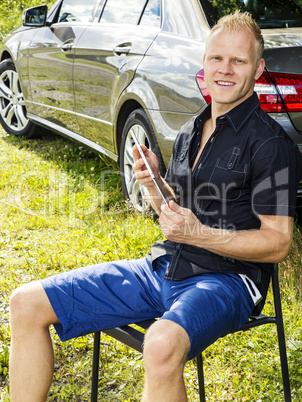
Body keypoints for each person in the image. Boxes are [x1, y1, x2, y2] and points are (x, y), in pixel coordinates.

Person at [9, 11, 302, 402]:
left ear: (258, 68)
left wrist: (198, 233)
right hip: (163, 267)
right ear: (204, 61)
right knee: (25, 303)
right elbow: (182, 208)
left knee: (160, 345)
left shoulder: (272, 146)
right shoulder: (189, 131)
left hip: (227, 280)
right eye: (217, 58)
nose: (225, 69)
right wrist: (155, 186)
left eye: (239, 60)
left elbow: (278, 243)